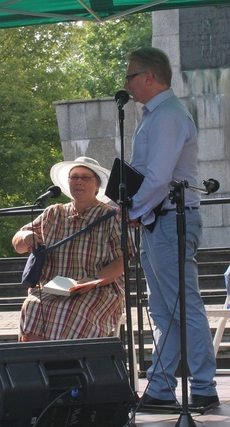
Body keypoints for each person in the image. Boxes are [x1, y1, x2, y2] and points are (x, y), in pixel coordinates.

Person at [124, 47, 219, 408]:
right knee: (163, 309)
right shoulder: (155, 115)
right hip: (157, 220)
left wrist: (131, 209)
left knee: (184, 305)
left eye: (130, 76)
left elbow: (159, 177)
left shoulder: (167, 116)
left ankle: (204, 388)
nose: (127, 85)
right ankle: (162, 387)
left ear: (149, 76)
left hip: (169, 219)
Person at [12, 156, 134, 342]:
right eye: (74, 177)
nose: (78, 181)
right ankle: (38, 366)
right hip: (55, 286)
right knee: (33, 306)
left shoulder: (112, 216)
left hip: (98, 288)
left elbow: (122, 260)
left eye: (85, 177)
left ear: (97, 186)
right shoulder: (53, 213)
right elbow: (18, 244)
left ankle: (69, 367)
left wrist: (93, 281)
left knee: (72, 310)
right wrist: (26, 237)